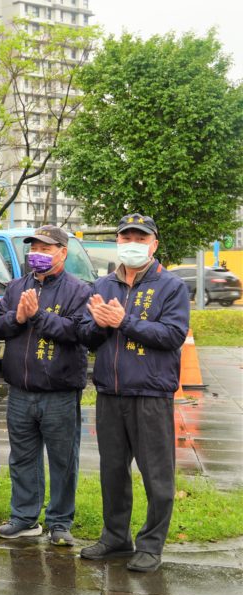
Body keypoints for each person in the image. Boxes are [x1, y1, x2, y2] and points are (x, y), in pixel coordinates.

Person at [78, 214, 189, 573]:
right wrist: (97, 324)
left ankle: (151, 544)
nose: (132, 244)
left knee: (157, 475)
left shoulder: (171, 286)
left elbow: (172, 336)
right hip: (110, 393)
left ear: (154, 244)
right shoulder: (103, 284)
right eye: (126, 237)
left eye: (140, 238)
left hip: (151, 394)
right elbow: (86, 335)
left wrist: (123, 321)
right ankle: (115, 538)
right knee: (112, 471)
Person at [0, 226, 92, 546]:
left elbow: (76, 331)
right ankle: (24, 517)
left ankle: (60, 522)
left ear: (63, 252)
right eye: (34, 247)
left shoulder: (79, 290)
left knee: (63, 459)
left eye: (46, 249)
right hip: (20, 390)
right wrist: (18, 317)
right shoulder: (17, 286)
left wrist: (36, 317)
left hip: (59, 391)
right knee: (22, 458)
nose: (38, 253)